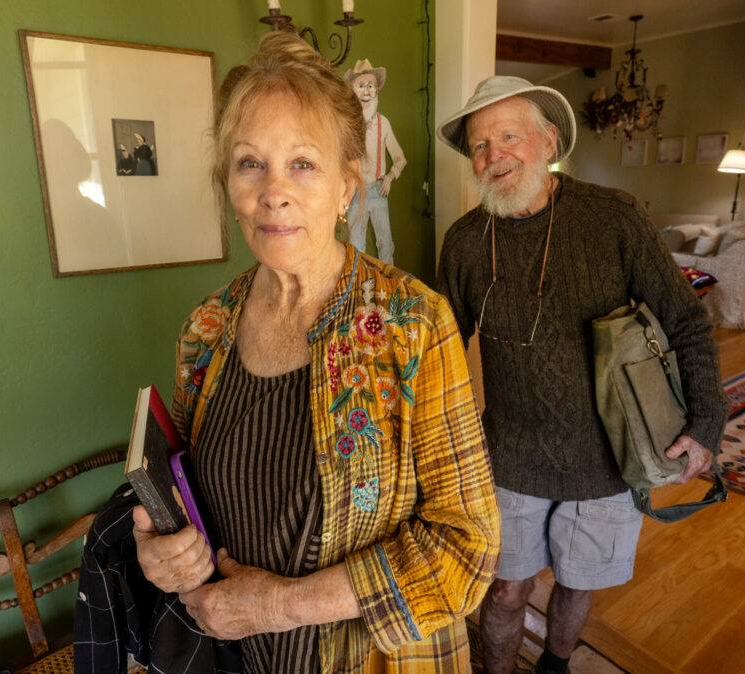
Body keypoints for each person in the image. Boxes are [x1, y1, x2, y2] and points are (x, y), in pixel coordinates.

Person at [75, 31, 499, 674]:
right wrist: (162, 551)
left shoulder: (413, 323)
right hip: (230, 658)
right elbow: (183, 494)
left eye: (303, 163)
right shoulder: (206, 328)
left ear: (347, 185)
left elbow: (466, 550)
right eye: (250, 163)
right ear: (228, 183)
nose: (274, 191)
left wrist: (282, 605)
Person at [435, 76, 729, 674]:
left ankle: (555, 667)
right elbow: (437, 352)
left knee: (577, 582)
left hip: (609, 458)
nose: (494, 157)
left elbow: (685, 320)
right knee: (505, 591)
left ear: (547, 141)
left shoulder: (613, 218)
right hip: (509, 457)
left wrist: (706, 423)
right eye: (480, 146)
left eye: (508, 136)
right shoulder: (465, 242)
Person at [342, 59, 406, 265]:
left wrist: (389, 178)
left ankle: (387, 288)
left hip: (378, 191)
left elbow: (400, 159)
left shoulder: (383, 123)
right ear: (353, 90)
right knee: (356, 245)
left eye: (371, 85)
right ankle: (358, 289)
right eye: (361, 85)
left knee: (385, 244)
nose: (367, 91)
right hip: (355, 193)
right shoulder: (347, 125)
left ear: (377, 90)